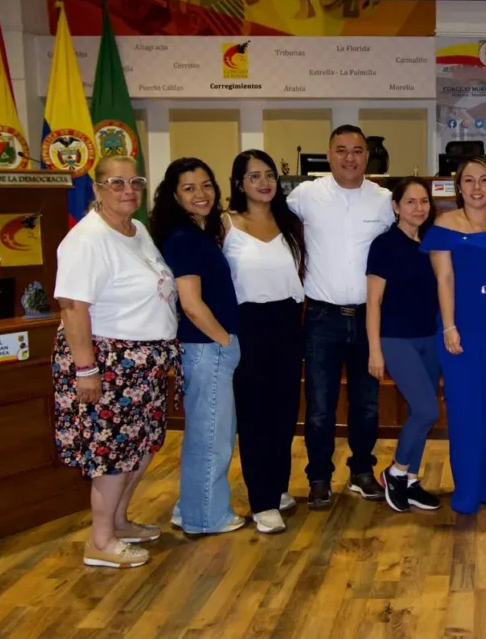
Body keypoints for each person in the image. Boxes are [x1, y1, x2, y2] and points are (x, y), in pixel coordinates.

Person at [53, 155, 181, 568]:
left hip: (144, 363)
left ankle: (119, 522)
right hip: (108, 363)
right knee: (112, 454)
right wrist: (86, 370)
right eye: (117, 183)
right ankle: (101, 541)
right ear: (97, 189)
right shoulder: (87, 239)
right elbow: (73, 307)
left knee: (140, 448)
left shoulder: (137, 230)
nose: (128, 190)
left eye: (135, 182)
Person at [286, 125, 395, 508]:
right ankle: (318, 477)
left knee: (367, 405)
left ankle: (362, 471)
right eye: (342, 150)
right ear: (329, 154)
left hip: (369, 319)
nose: (350, 157)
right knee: (319, 407)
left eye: (358, 150)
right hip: (322, 319)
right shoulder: (305, 195)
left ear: (368, 156)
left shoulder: (384, 200)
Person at [421, 156, 486, 514]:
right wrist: (449, 326)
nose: (477, 187)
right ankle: (466, 492)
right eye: (469, 180)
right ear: (458, 186)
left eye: (484, 180)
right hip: (461, 327)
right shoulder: (444, 225)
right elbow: (444, 279)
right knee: (464, 409)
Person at [151, 157, 244, 536]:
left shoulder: (198, 233)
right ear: (175, 196)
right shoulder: (184, 239)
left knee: (208, 432)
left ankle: (190, 508)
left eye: (206, 185)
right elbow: (191, 303)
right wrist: (224, 341)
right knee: (212, 438)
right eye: (189, 188)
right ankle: (206, 517)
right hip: (207, 347)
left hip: (207, 347)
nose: (201, 194)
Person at [223, 150, 306, 533]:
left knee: (284, 412)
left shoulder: (289, 222)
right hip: (249, 324)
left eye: (269, 174)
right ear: (239, 183)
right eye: (254, 176)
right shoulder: (226, 224)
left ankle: (277, 486)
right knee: (255, 414)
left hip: (288, 321)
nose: (264, 182)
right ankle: (262, 501)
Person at [366, 177, 442, 512]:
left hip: (430, 339)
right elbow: (373, 302)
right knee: (427, 410)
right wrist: (374, 350)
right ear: (396, 206)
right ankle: (395, 471)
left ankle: (410, 480)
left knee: (419, 413)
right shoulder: (384, 245)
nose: (418, 208)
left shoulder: (432, 242)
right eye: (410, 201)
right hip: (396, 339)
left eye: (424, 201)